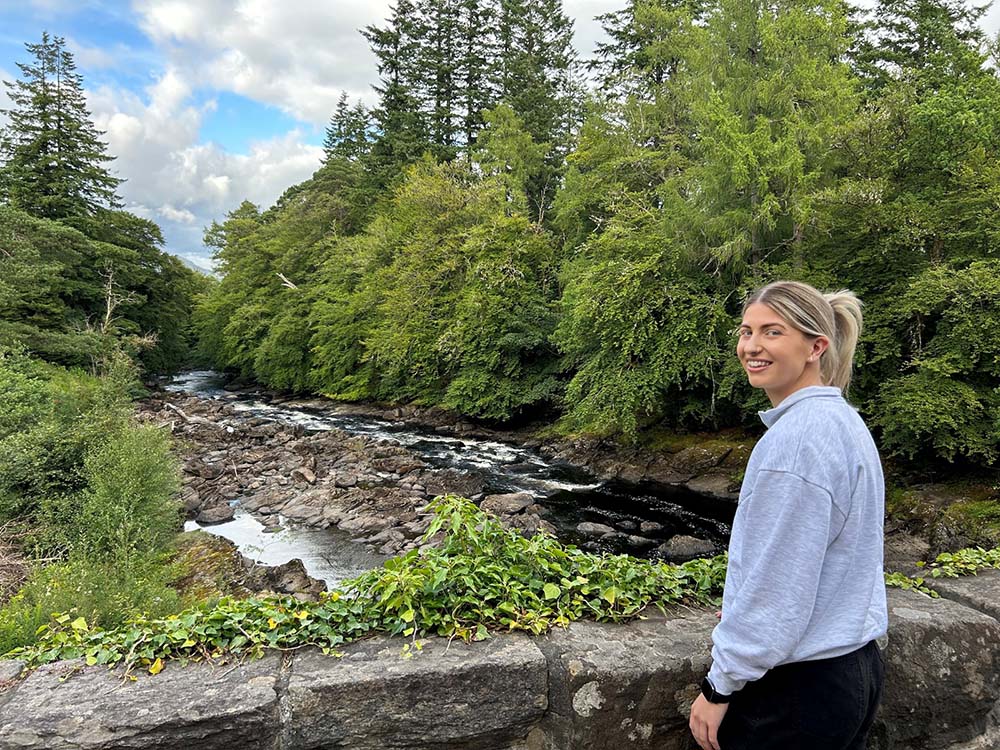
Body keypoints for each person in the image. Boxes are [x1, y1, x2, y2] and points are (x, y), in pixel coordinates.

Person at [689, 280, 888, 750]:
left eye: (772, 332)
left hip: (797, 689)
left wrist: (719, 685)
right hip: (854, 666)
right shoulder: (843, 421)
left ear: (816, 347)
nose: (752, 346)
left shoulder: (796, 443)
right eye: (747, 331)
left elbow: (779, 583)